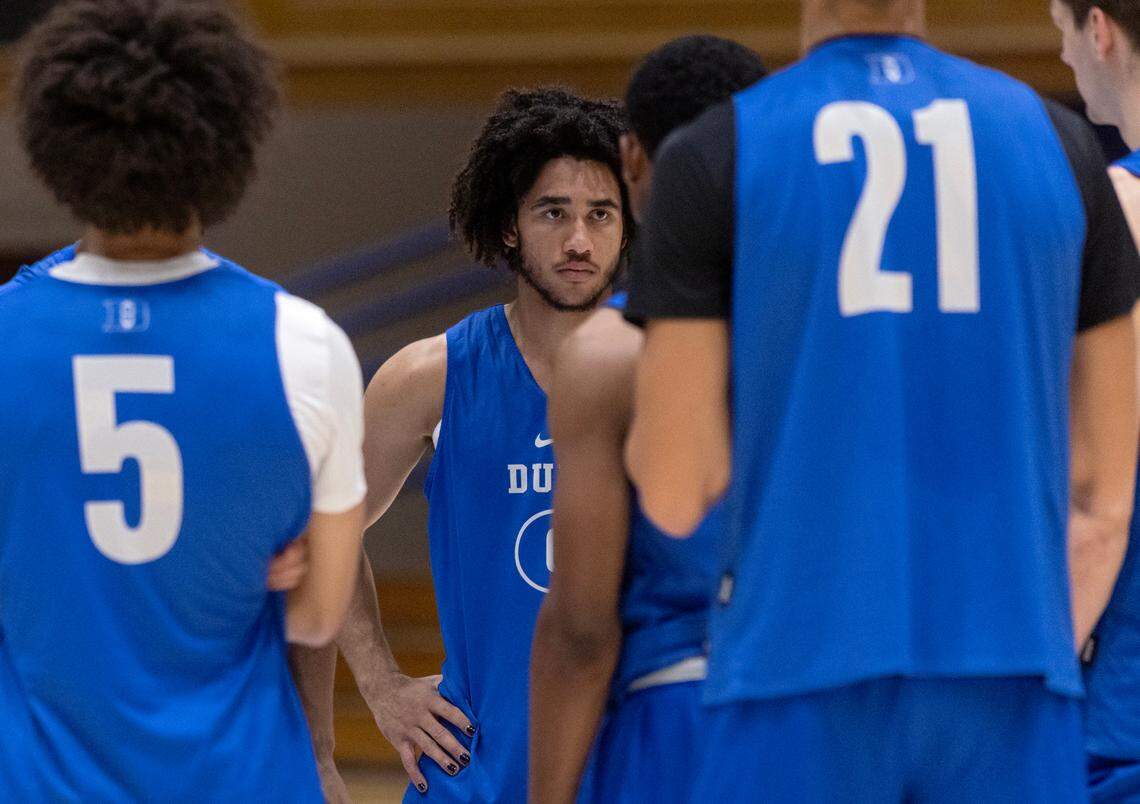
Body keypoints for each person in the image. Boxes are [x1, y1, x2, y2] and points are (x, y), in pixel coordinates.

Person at [624, 0, 1140, 800]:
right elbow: (1104, 498)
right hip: (1011, 672)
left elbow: (675, 486)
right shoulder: (1062, 144)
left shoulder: (716, 152)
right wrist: (1032, 643)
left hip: (792, 668)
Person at [0, 0, 366, 799]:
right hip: (242, 778)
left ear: (56, 141)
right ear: (231, 139)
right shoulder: (307, 345)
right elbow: (314, 618)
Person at [294, 87, 631, 801]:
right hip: (474, 777)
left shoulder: (672, 370)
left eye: (601, 215)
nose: (579, 240)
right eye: (554, 213)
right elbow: (323, 525)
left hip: (638, 770)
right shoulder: (431, 375)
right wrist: (381, 684)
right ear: (508, 227)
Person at [528, 36, 766, 804]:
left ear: (631, 159)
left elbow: (582, 634)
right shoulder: (849, 328)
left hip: (679, 716)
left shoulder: (612, 354)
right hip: (827, 712)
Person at [1052, 2, 1140, 799]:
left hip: (1123, 700)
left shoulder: (1112, 214)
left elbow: (1087, 487)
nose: (1063, 50)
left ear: (1101, 30)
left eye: (1062, 24)